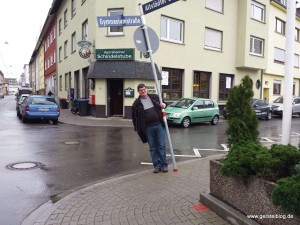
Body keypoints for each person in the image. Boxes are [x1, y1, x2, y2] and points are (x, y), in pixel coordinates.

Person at [131, 83, 168, 173]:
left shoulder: (154, 97)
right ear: (138, 92)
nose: (143, 91)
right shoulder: (136, 104)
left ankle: (164, 165)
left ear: (146, 89)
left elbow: (164, 103)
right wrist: (138, 129)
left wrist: (164, 105)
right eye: (141, 90)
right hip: (147, 128)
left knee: (161, 146)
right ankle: (157, 166)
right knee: (152, 147)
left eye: (144, 89)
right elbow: (134, 118)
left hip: (159, 125)